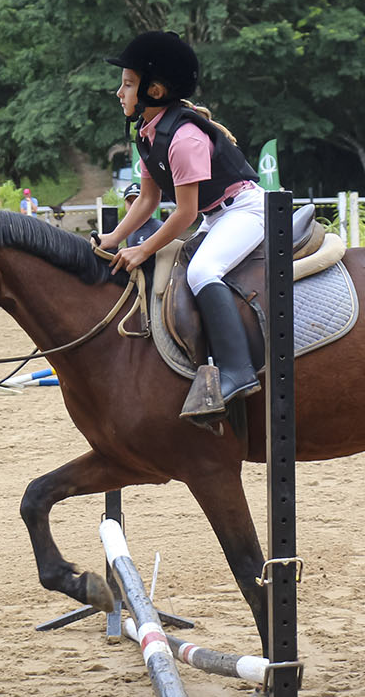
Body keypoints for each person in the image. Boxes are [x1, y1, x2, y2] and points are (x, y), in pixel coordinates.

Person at [96, 30, 263, 419]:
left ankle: (238, 370)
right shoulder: (149, 133)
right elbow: (149, 200)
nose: (119, 92)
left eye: (127, 84)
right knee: (176, 272)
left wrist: (142, 247)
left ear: (154, 90)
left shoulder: (184, 138)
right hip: (216, 215)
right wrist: (114, 237)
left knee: (203, 270)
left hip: (245, 211)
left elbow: (184, 214)